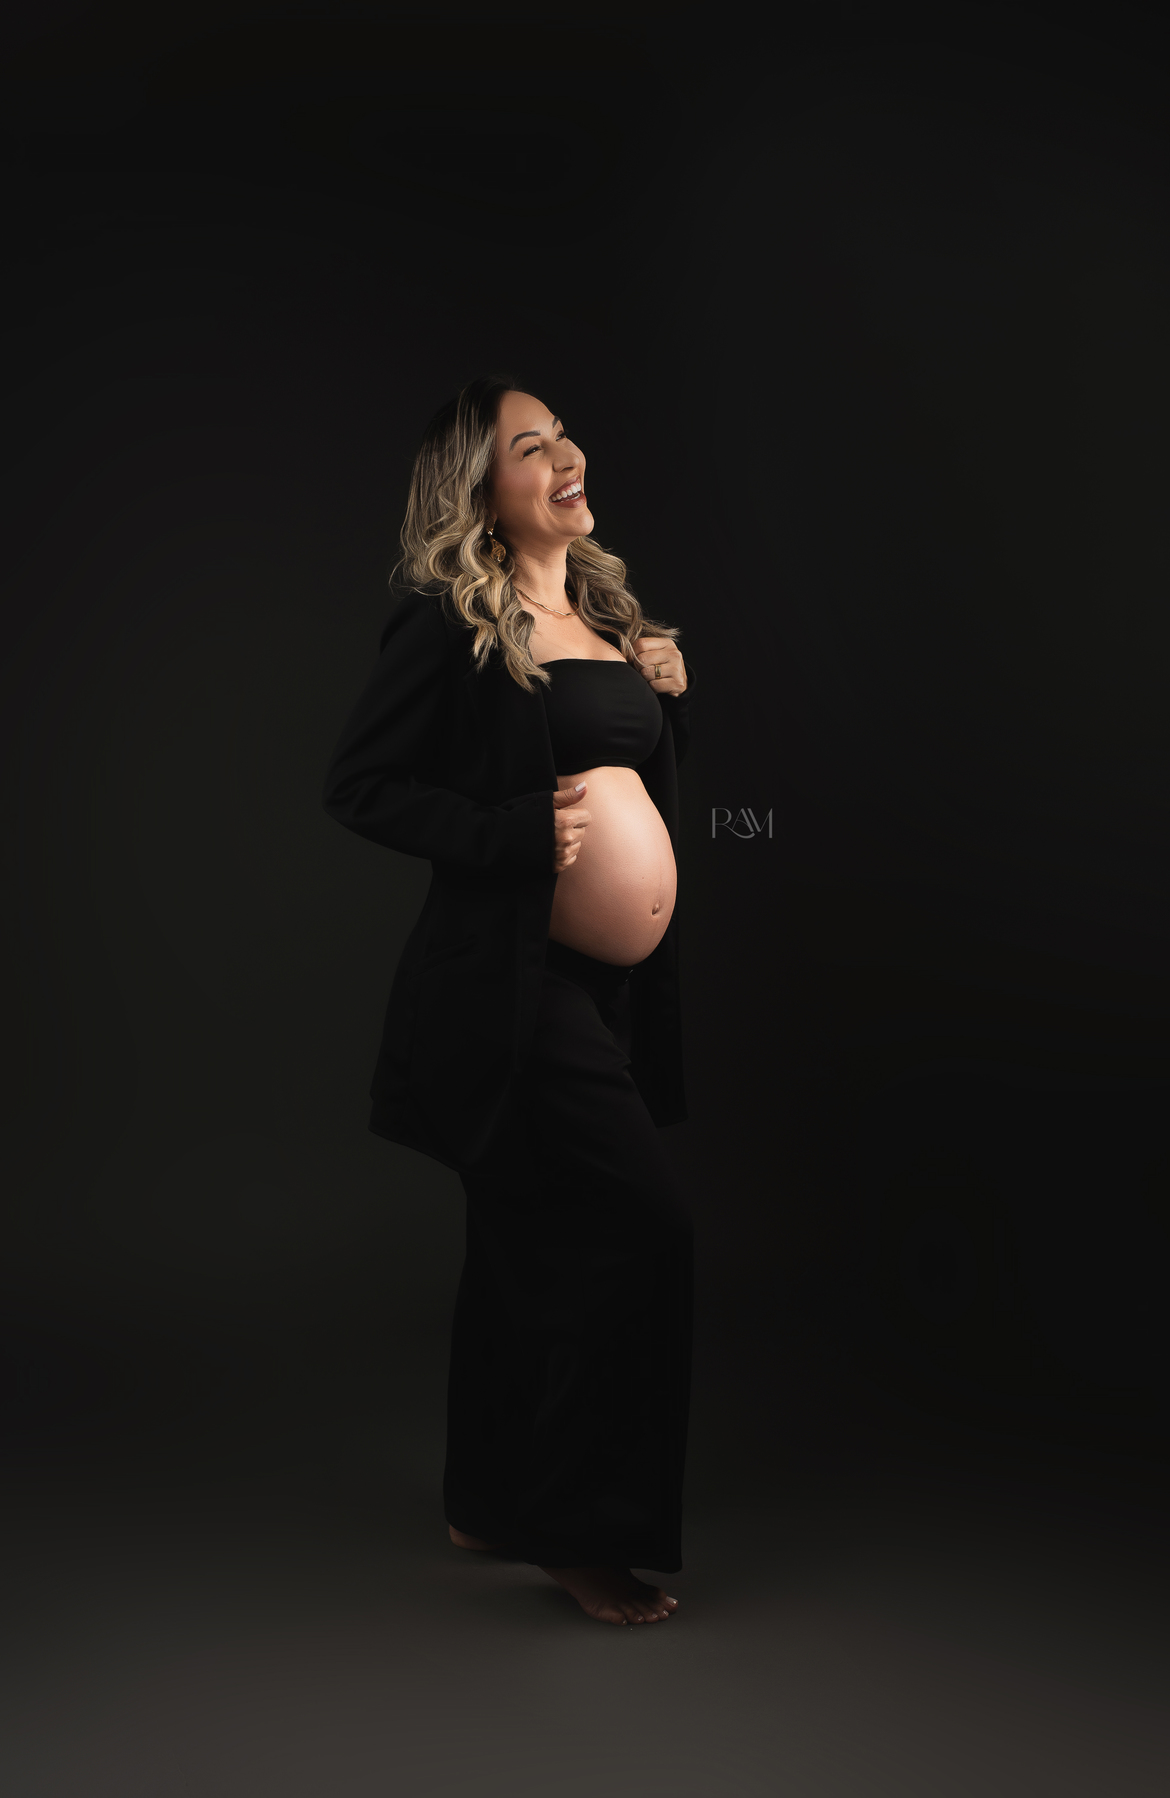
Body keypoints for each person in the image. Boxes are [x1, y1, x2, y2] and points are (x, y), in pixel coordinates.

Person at [322, 376, 697, 1625]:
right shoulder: (454, 623)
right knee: (639, 1225)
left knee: (518, 1232)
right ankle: (580, 1532)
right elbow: (361, 786)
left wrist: (667, 697)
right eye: (529, 447)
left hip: (602, 987)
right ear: (480, 494)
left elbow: (645, 796)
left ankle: (485, 1497)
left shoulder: (602, 612)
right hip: (509, 983)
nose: (565, 453)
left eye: (561, 434)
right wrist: (508, 833)